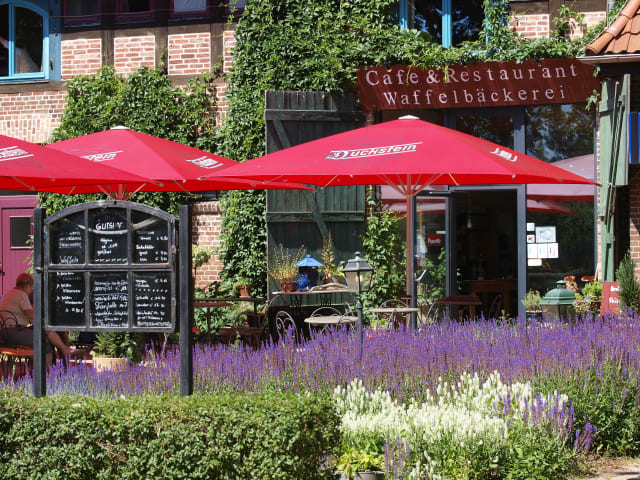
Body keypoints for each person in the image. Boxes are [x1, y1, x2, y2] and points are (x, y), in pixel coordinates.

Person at [0, 272, 76, 360]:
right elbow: (31, 314)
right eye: (31, 287)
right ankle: (51, 366)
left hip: (4, 332)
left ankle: (65, 350)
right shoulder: (21, 294)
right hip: (14, 332)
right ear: (27, 285)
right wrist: (44, 320)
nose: (31, 290)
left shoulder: (9, 293)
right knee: (44, 343)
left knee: (45, 331)